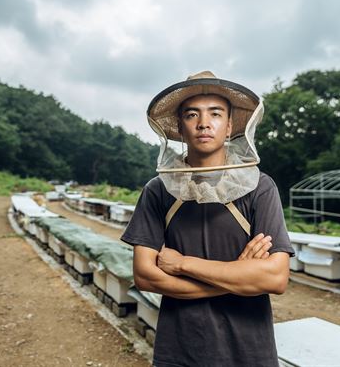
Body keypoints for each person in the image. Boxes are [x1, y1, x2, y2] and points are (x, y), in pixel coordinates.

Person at [120, 71, 294, 367]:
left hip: (249, 352)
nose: (204, 123)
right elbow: (146, 275)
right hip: (180, 350)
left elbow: (275, 278)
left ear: (229, 126)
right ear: (180, 126)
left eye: (215, 114)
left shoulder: (260, 187)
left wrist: (183, 264)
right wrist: (239, 274)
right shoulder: (157, 191)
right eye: (192, 115)